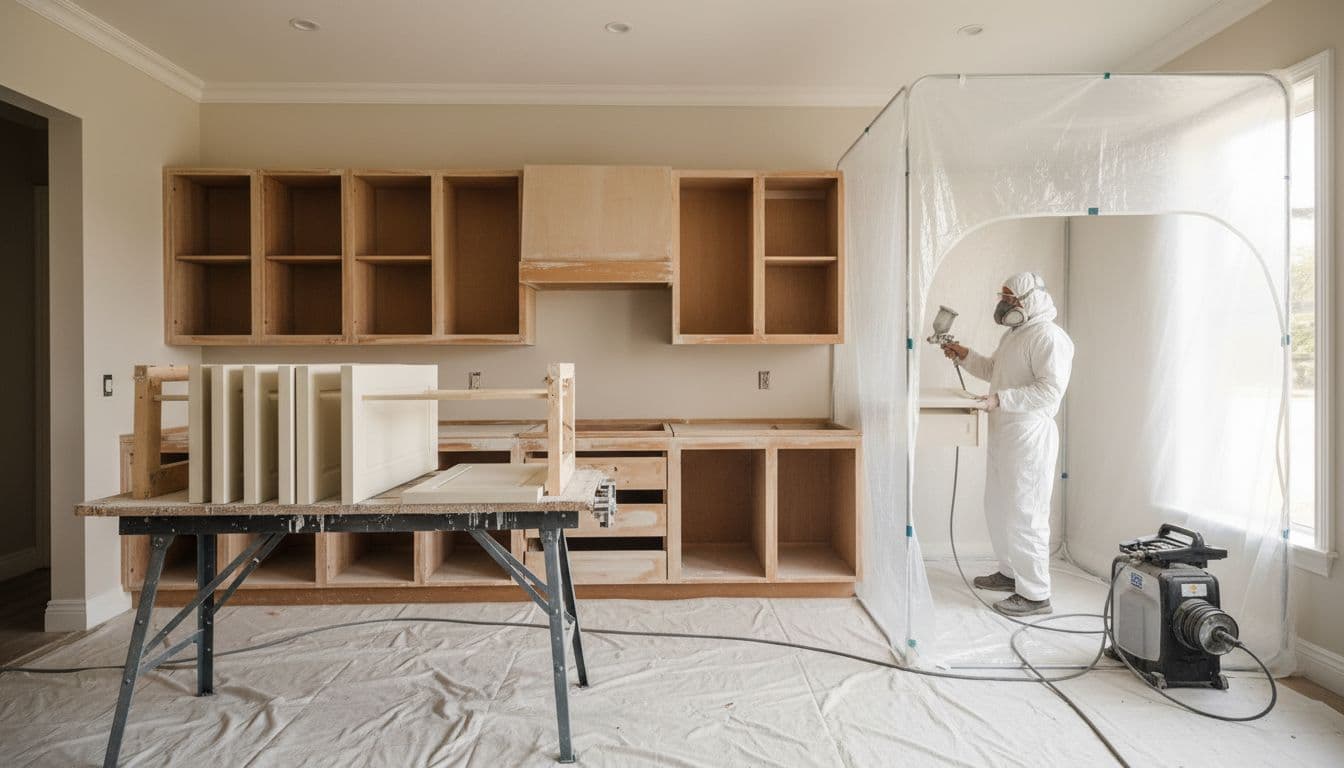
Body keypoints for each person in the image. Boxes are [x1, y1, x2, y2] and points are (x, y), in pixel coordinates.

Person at [941, 272, 1074, 617]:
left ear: (1029, 300)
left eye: (1010, 299)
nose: (1003, 306)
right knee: (997, 506)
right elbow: (993, 370)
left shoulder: (1049, 337)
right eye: (1003, 297)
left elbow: (1049, 391)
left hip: (1030, 436)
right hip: (1005, 432)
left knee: (1025, 514)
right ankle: (1010, 572)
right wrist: (965, 355)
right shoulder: (1016, 334)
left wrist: (1000, 399)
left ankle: (1035, 594)